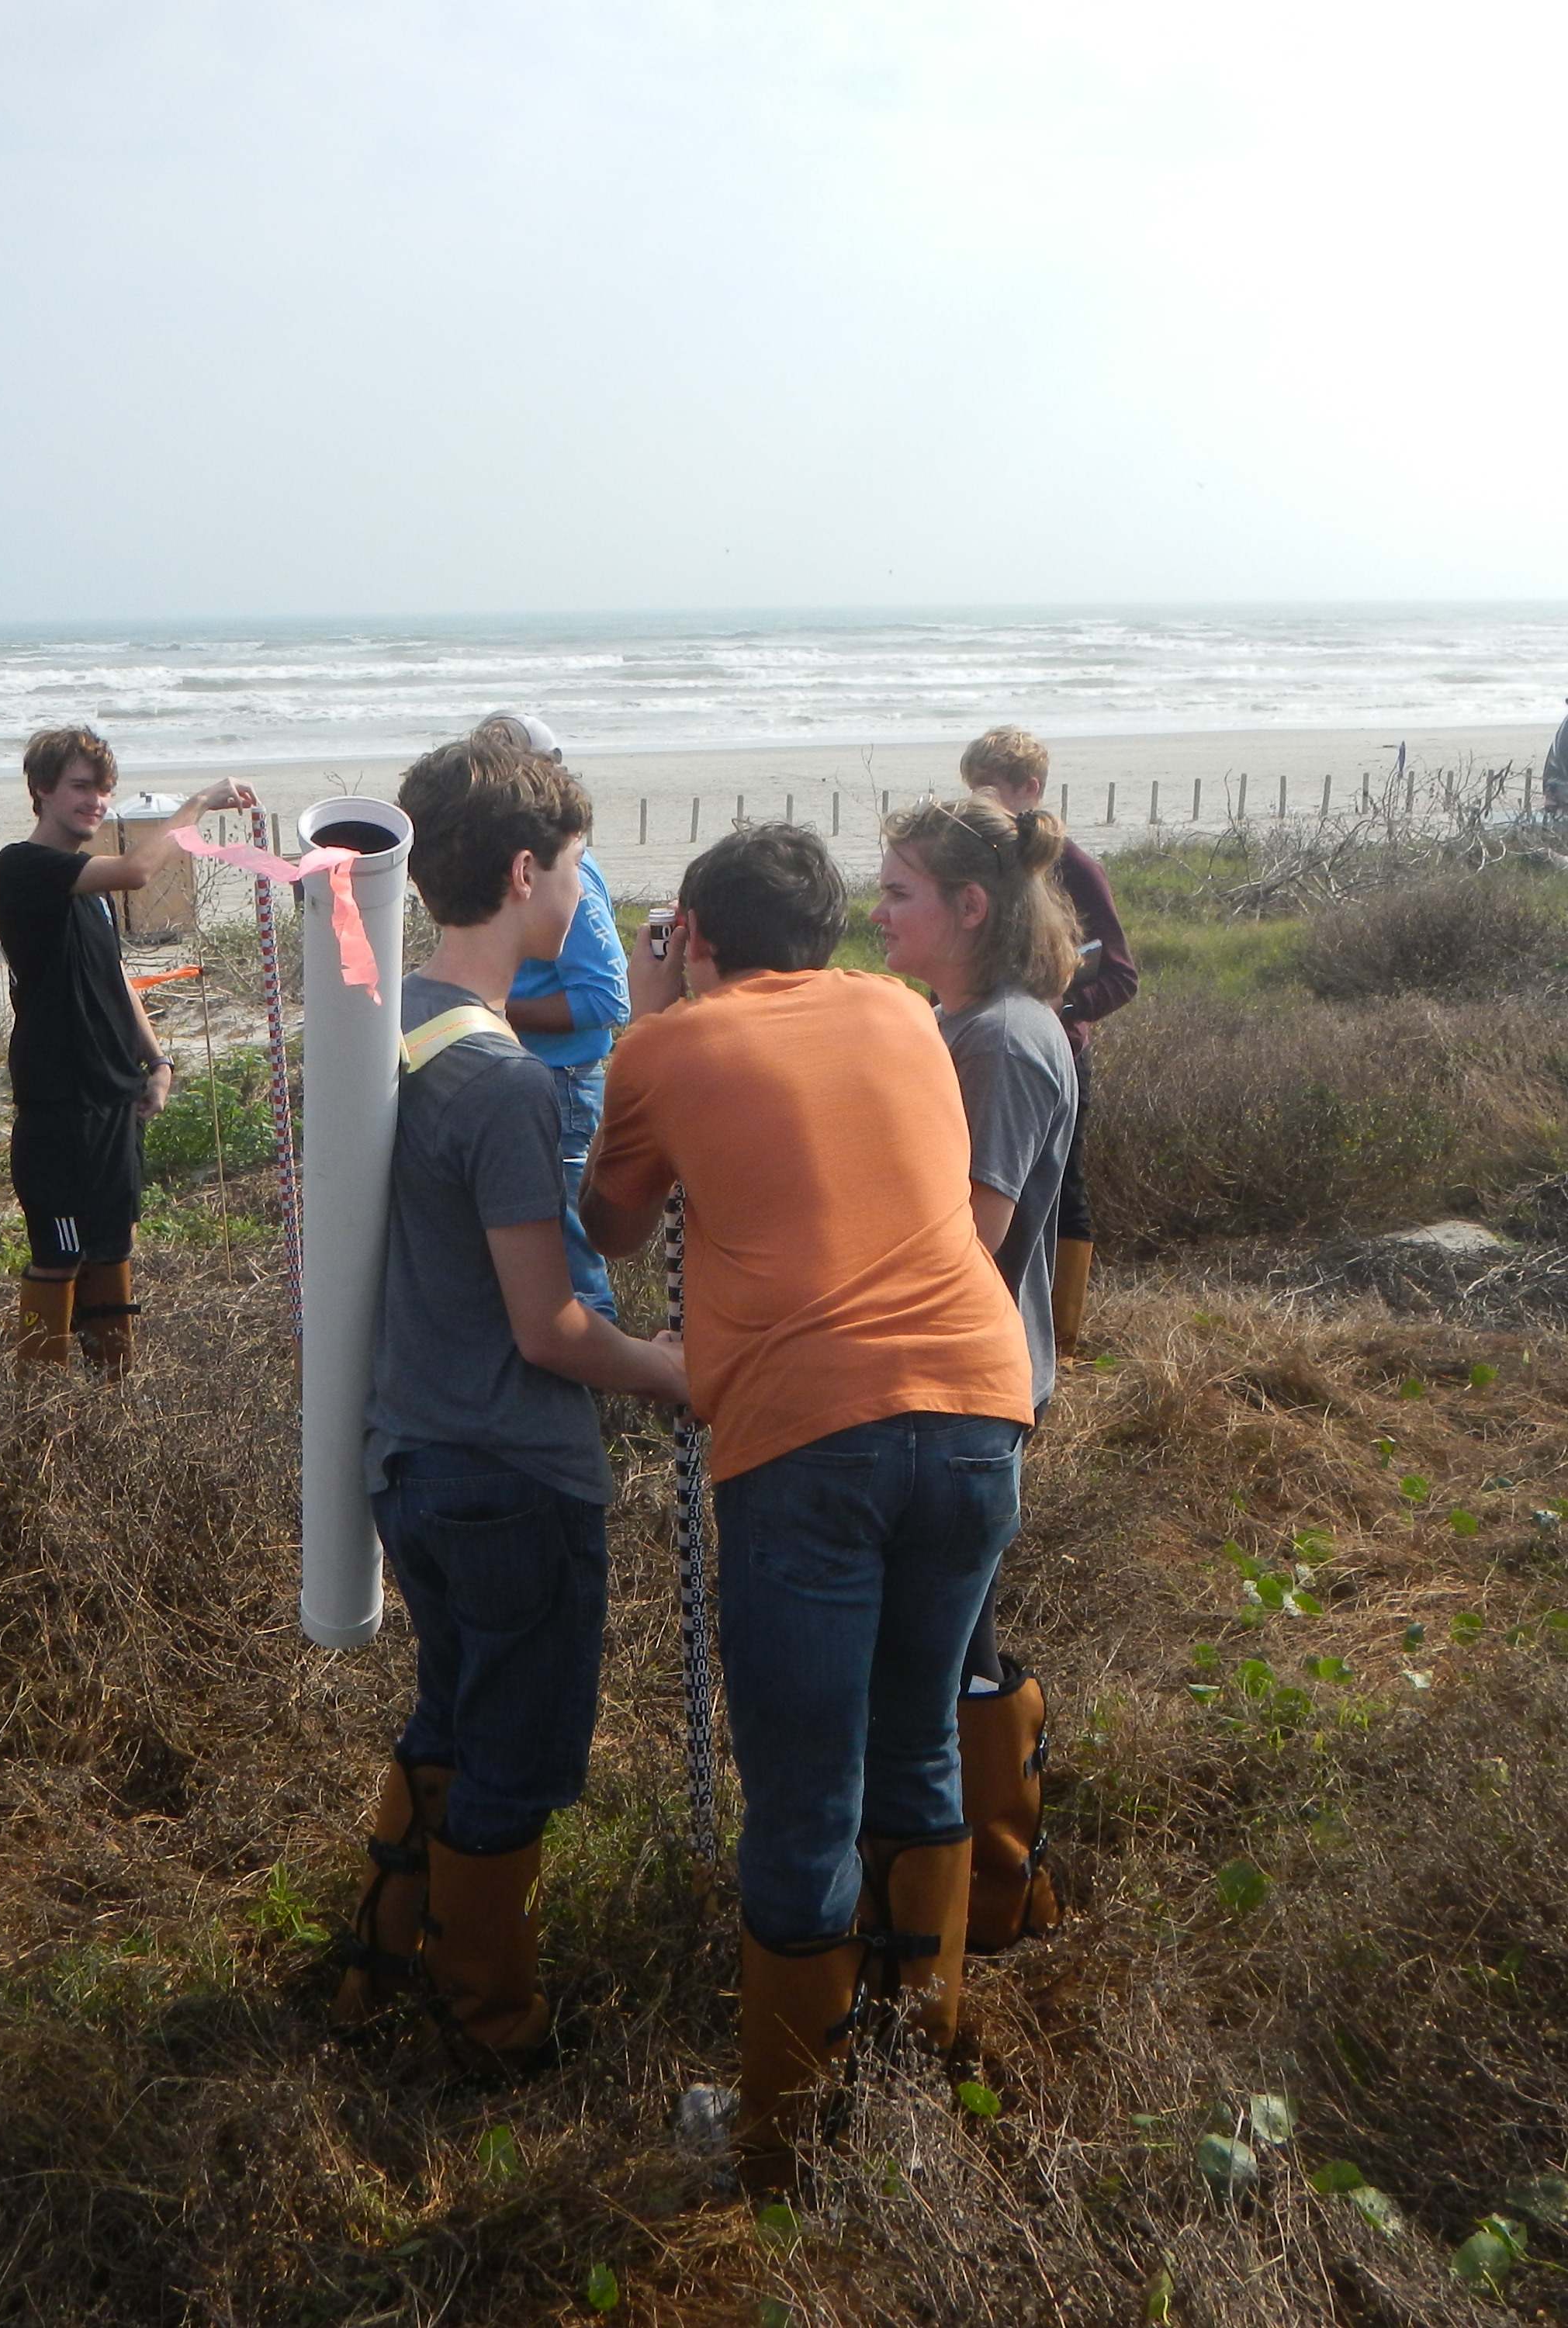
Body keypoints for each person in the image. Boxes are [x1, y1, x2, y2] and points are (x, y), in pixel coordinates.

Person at [582, 823, 1034, 2189]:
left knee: (800, 1794)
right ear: (828, 932)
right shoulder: (906, 1017)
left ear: (699, 936)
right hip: (974, 1413)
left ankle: (782, 2139)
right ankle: (917, 2060)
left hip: (805, 1442)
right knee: (917, 1748)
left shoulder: (662, 1047)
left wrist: (653, 1014)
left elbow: (610, 1226)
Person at [327, 733, 689, 2079]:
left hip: (408, 1458)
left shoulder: (386, 1032)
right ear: (528, 872)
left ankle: (378, 1965)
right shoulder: (505, 1085)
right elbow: (553, 1327)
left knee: (452, 1715)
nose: (580, 902)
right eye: (577, 874)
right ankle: (492, 2033)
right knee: (519, 1762)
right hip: (510, 1474)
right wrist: (668, 1370)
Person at [868, 795, 1081, 1956]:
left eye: (900, 893)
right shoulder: (969, 1020)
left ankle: (985, 1896)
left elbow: (970, 1239)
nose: (877, 912)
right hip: (968, 1378)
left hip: (967, 1382)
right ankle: (990, 1889)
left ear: (969, 906)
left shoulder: (998, 1038)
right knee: (955, 1643)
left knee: (944, 1654)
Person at [0, 726, 256, 1374]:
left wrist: (158, 1062)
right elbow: (139, 870)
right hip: (59, 1105)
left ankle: (113, 1406)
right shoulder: (23, 868)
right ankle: (42, 1411)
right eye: (81, 788)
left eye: (104, 791)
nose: (96, 803)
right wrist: (196, 805)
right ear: (43, 790)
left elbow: (115, 979)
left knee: (112, 1249)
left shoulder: (91, 894)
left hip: (115, 1097)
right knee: (60, 1256)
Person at [959, 727, 1137, 1356]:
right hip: (993, 1048)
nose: (978, 801)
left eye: (989, 788)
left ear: (1028, 790)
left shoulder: (1074, 867)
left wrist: (1053, 1009)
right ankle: (1005, 1323)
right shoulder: (978, 867)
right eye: (970, 789)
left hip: (1056, 1054)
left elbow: (1120, 976)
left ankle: (1062, 1338)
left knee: (1063, 1190)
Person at [483, 714, 632, 1319]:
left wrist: (488, 1007)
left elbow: (607, 1000)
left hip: (564, 1084)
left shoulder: (568, 870)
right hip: (518, 1075)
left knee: (568, 1258)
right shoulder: (503, 865)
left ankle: (594, 1400)